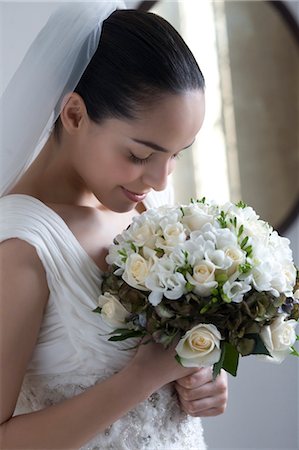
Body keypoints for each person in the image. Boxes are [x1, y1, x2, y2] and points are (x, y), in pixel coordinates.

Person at [0, 3, 228, 449]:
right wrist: (143, 377)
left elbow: (167, 375)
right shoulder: (21, 248)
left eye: (176, 154)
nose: (161, 179)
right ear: (75, 115)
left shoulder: (142, 207)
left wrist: (201, 381)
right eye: (141, 155)